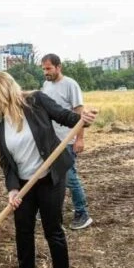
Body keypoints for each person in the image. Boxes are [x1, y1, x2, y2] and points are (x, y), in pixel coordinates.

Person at [0, 72, 96, 268]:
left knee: (51, 228)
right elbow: (5, 160)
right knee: (22, 227)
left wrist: (82, 118)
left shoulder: (36, 101)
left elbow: (65, 117)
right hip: (24, 181)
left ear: (3, 90)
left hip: (49, 176)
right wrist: (12, 189)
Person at [41, 54, 93, 230]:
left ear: (58, 67)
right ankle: (55, 214)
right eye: (43, 69)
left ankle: (82, 213)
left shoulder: (71, 85)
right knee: (52, 179)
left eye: (48, 68)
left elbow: (80, 115)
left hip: (67, 140)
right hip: (51, 140)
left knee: (69, 178)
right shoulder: (46, 86)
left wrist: (80, 139)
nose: (45, 72)